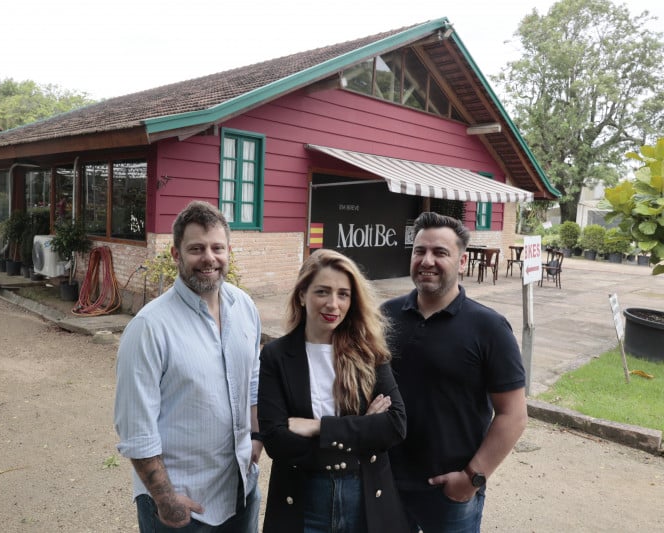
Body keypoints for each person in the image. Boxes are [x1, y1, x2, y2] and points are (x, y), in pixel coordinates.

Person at [114, 200, 262, 533]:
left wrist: (256, 435)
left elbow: (252, 378)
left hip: (241, 490)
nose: (209, 258)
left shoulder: (245, 307)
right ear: (176, 255)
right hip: (182, 506)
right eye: (196, 248)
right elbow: (136, 428)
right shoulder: (149, 327)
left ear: (228, 252)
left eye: (217, 248)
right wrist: (165, 500)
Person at [381, 211, 528, 533]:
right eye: (420, 251)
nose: (427, 260)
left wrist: (472, 478)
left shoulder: (489, 327)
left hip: (448, 491)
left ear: (461, 263)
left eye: (440, 253)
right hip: (385, 480)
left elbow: (513, 415)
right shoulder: (384, 316)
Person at [258, 248, 410, 533]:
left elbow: (395, 425)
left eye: (343, 294)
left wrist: (319, 428)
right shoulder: (276, 356)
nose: (333, 304)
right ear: (302, 295)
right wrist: (364, 428)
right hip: (303, 498)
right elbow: (276, 440)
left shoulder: (369, 352)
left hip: (364, 495)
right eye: (322, 292)